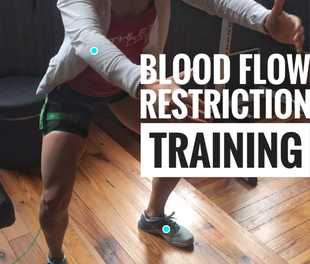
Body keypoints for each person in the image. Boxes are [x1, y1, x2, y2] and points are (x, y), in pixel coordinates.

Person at [36, 0, 304, 263]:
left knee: (180, 138)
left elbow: (217, 1)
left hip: (128, 86)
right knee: (54, 199)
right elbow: (88, 42)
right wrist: (146, 82)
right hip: (74, 88)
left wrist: (264, 20)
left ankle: (154, 218)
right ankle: (56, 258)